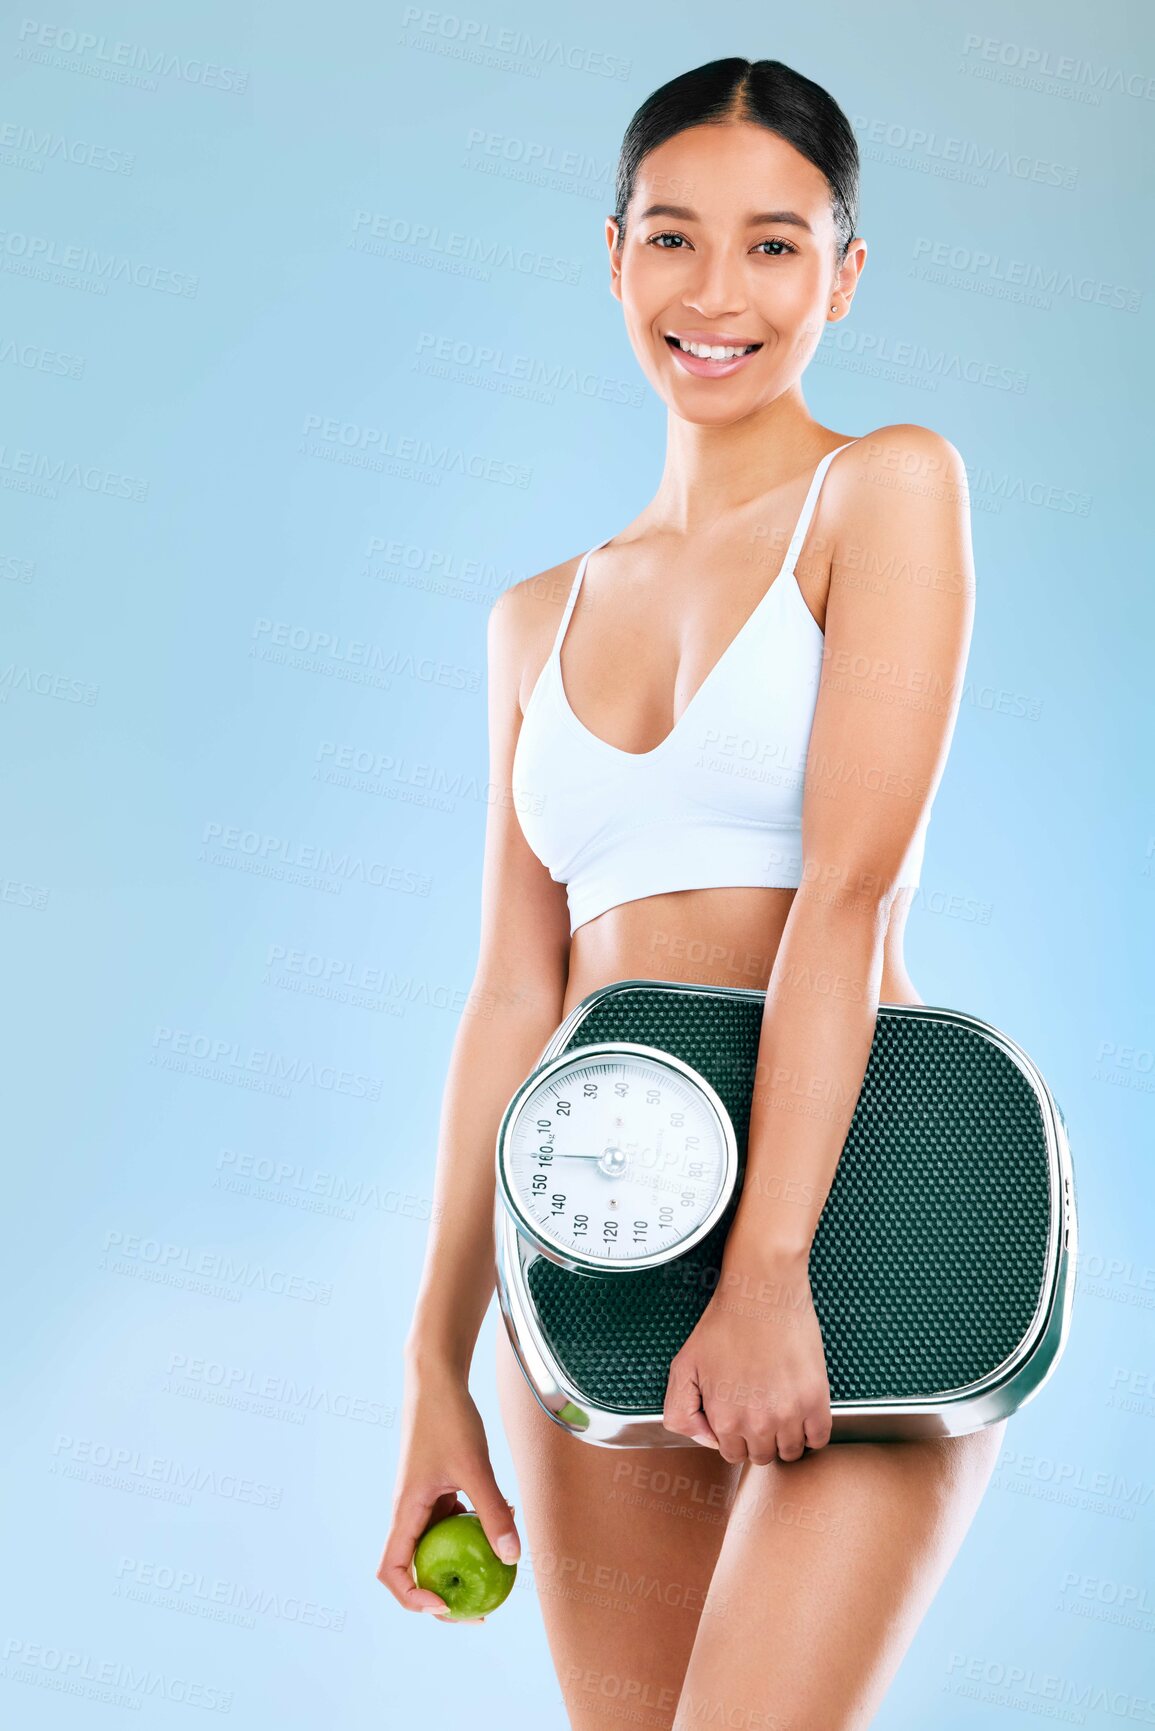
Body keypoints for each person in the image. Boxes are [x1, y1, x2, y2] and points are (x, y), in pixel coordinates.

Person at [379, 56, 1003, 1731]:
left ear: (843, 274)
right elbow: (513, 996)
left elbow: (850, 890)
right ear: (613, 257)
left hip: (856, 1218)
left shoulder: (886, 491)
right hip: (595, 1242)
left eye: (776, 246)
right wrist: (435, 1363)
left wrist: (772, 1264)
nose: (717, 294)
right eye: (674, 239)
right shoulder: (531, 619)